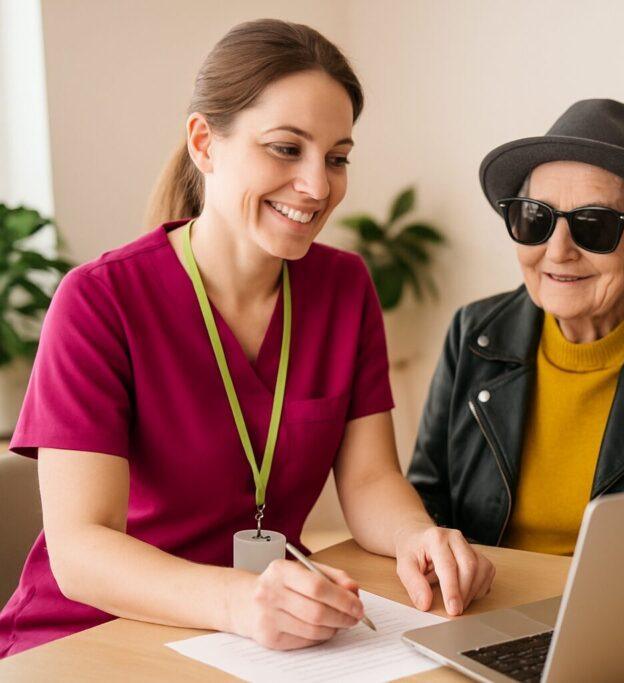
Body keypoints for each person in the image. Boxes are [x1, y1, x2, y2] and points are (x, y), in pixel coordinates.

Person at [0, 19, 492, 658]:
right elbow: (82, 551)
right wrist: (237, 601)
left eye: (337, 157)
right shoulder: (99, 300)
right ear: (205, 143)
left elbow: (370, 481)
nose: (318, 187)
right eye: (287, 148)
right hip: (91, 635)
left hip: (260, 638)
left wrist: (417, 537)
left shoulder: (345, 287)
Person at [407, 99, 624, 556]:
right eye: (535, 218)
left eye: (594, 225)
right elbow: (425, 500)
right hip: (479, 605)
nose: (557, 251)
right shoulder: (474, 333)